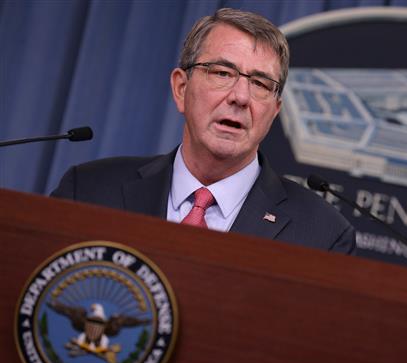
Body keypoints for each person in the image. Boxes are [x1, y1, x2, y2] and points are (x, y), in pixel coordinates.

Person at [51, 8, 355, 254]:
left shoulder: (323, 235)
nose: (241, 96)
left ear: (274, 111)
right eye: (222, 73)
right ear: (181, 88)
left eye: (261, 84)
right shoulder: (89, 190)